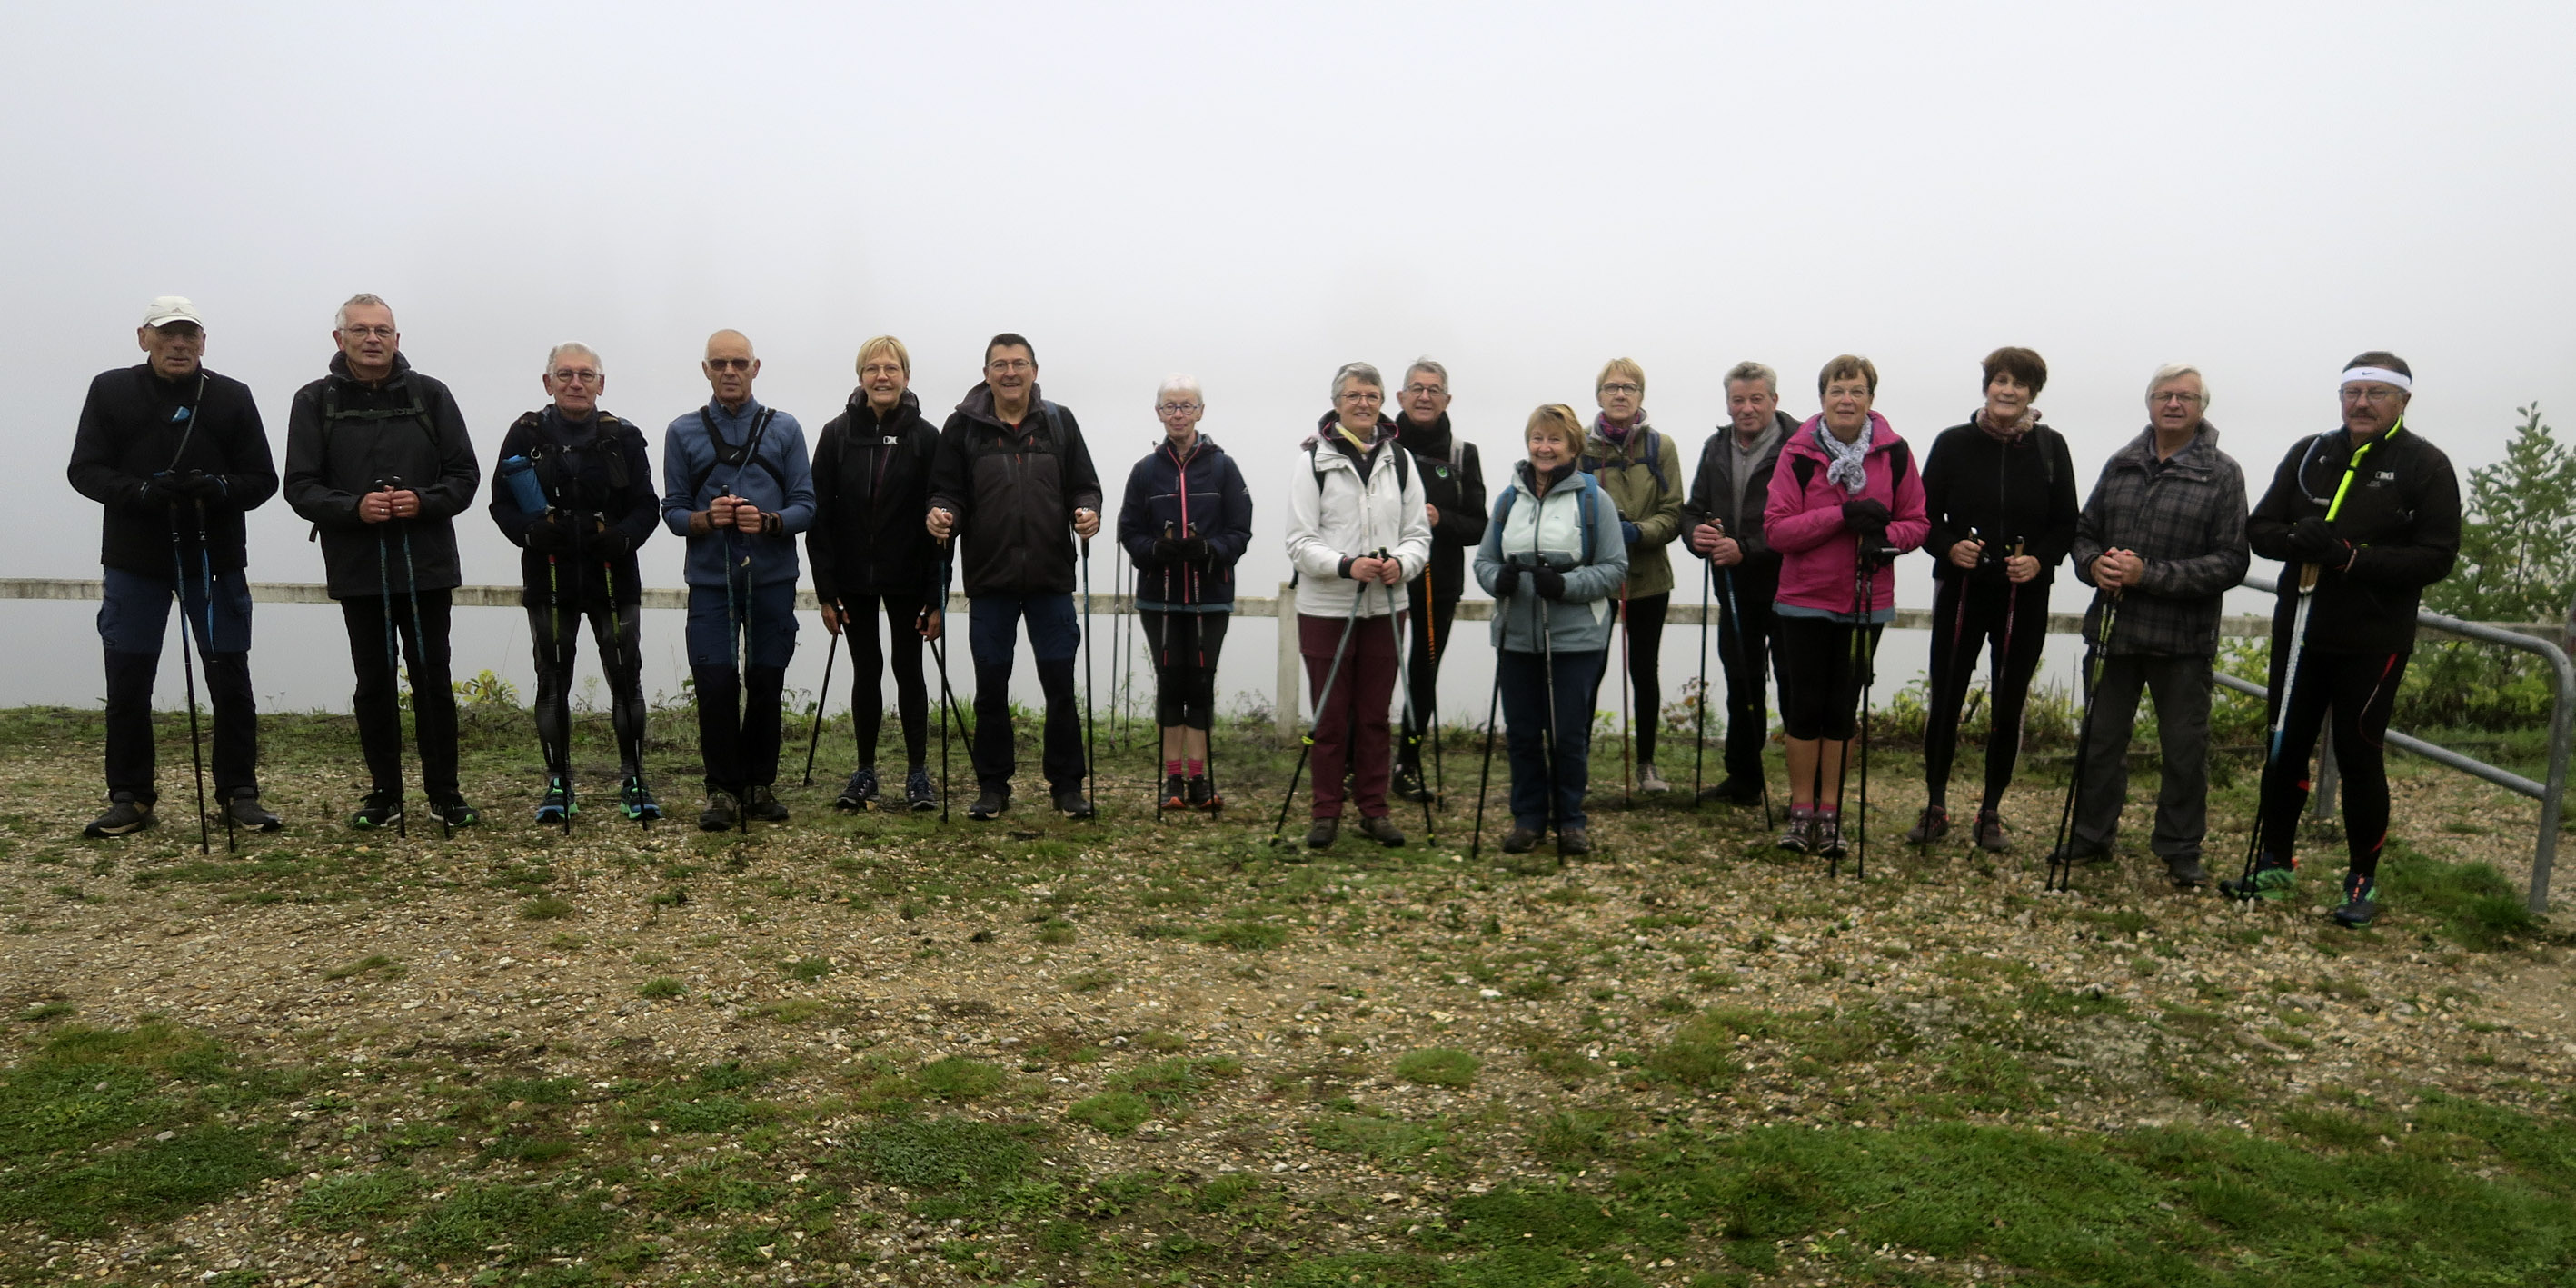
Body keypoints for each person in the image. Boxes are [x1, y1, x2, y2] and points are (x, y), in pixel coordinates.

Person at [2234, 352, 2461, 926]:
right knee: (2284, 747)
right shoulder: (2310, 453)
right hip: (2300, 628)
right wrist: (2295, 540)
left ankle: (2362, 879)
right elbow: (2259, 529)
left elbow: (2437, 557)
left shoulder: (2426, 464)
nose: (2361, 404)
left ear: (2403, 401)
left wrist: (2352, 558)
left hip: (2372, 638)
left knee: (2359, 756)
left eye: (2376, 394)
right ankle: (2275, 865)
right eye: (2352, 393)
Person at [67, 296, 282, 837]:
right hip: (134, 561)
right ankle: (130, 797)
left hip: (214, 560)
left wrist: (220, 488)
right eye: (167, 334)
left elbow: (262, 479)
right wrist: (140, 492)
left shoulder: (232, 396)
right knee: (128, 683)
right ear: (144, 338)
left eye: (189, 335)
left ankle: (239, 793)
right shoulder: (110, 390)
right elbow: (85, 470)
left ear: (204, 342)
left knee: (230, 680)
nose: (179, 345)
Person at [283, 294, 482, 831]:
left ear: (397, 338)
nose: (373, 339)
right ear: (339, 338)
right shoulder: (314, 401)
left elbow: (464, 475)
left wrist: (423, 501)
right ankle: (384, 793)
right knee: (373, 682)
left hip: (426, 565)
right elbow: (299, 485)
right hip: (357, 565)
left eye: (383, 330)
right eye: (361, 330)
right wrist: (354, 508)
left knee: (432, 679)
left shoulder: (430, 395)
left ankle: (445, 793)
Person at [2056, 364, 2248, 888]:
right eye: (2165, 395)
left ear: (2202, 408)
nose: (2174, 404)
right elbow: (2084, 532)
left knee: (2184, 750)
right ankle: (2091, 835)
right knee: (2100, 742)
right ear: (2149, 403)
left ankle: (2181, 848)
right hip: (2113, 632)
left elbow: (2232, 561)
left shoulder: (2222, 474)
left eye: (2186, 397)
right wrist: (2093, 565)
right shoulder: (2121, 463)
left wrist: (2150, 575)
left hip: (2183, 641)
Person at [925, 334, 1103, 821]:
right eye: (1000, 365)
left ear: (1034, 371)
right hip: (990, 580)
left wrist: (1087, 511)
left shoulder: (1060, 422)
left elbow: (1084, 486)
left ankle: (1067, 786)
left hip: (1051, 579)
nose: (1010, 372)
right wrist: (941, 513)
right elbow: (946, 491)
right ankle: (992, 786)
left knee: (1060, 684)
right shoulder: (962, 428)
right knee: (990, 686)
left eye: (1019, 363)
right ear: (986, 374)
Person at [1908, 348, 2081, 851]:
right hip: (1961, 589)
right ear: (1986, 386)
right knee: (1946, 696)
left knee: (2009, 702)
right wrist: (1949, 547)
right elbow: (1922, 516)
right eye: (2000, 380)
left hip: (2023, 595)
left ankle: (1990, 811)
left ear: (2033, 392)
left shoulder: (2051, 448)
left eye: (2019, 384)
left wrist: (2040, 561)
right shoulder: (1953, 443)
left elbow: (2066, 522)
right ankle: (1935, 803)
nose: (2008, 391)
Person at [487, 343, 662, 824]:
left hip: (613, 573)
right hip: (549, 573)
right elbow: (500, 502)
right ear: (548, 383)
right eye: (564, 375)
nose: (575, 383)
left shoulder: (624, 437)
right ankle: (558, 781)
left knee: (625, 677)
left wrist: (624, 538)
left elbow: (648, 505)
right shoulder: (525, 434)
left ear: (601, 384)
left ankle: (634, 778)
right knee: (552, 679)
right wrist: (528, 533)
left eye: (586, 375)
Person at [1761, 355, 1928, 857]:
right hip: (1803, 599)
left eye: (1857, 391)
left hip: (1865, 600)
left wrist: (1885, 538)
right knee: (1804, 707)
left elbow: (1917, 522)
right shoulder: (1797, 454)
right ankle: (1801, 811)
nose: (1847, 400)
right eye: (1837, 391)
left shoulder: (1895, 453)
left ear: (1871, 398)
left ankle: (1830, 813)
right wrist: (1842, 515)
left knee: (1840, 709)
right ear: (1822, 398)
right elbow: (1777, 530)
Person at [661, 329, 815, 831]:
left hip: (771, 581)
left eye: (739, 363)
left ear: (755, 368)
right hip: (711, 583)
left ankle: (758, 784)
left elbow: (806, 504)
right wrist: (707, 519)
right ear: (705, 370)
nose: (730, 372)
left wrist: (768, 521)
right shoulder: (682, 431)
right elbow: (673, 510)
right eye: (720, 363)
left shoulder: (785, 429)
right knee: (715, 684)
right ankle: (721, 790)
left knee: (767, 681)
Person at [1284, 362, 1434, 848]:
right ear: (1336, 403)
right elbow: (1299, 542)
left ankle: (1374, 809)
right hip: (1326, 607)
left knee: (1374, 716)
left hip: (1386, 606)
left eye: (1371, 395)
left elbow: (1418, 534)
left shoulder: (1400, 460)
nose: (1363, 404)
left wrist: (1401, 565)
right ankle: (1325, 812)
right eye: (1353, 396)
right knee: (1329, 718)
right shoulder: (1313, 461)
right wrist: (1345, 566)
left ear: (1382, 402)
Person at [1477, 404, 1629, 857]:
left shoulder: (1594, 500)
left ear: (1573, 446)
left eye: (1554, 439)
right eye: (1537, 438)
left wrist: (1565, 585)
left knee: (1567, 735)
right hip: (1516, 636)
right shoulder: (1508, 500)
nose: (1544, 448)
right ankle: (1528, 819)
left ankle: (1570, 820)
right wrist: (1498, 579)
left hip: (1576, 639)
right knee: (1522, 733)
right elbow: (1484, 561)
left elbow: (1614, 568)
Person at [809, 335, 943, 813]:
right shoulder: (836, 434)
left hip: (909, 577)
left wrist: (936, 596)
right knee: (866, 669)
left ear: (906, 376)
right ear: (860, 376)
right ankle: (864, 770)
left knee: (909, 669)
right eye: (872, 368)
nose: (881, 376)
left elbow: (942, 520)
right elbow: (819, 516)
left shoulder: (926, 437)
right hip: (852, 579)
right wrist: (825, 591)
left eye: (891, 368)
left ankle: (917, 774)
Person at [1117, 375, 1254, 810]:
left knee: (1201, 683)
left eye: (1187, 406)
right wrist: (1154, 550)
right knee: (1169, 683)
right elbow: (1128, 530)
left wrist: (1209, 550)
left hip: (1209, 595)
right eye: (1170, 407)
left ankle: (1199, 777)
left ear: (1200, 411)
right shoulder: (1145, 470)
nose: (1179, 414)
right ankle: (1172, 779)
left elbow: (1240, 529)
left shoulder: (1223, 468)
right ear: (1158, 413)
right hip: (1158, 597)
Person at [1682, 361, 1799, 806]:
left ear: (1774, 400)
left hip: (1791, 586)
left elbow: (1806, 520)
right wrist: (1695, 535)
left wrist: (1746, 548)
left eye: (1756, 399)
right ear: (1728, 403)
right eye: (1738, 400)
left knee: (1793, 685)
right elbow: (1693, 508)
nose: (1746, 408)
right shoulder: (1715, 446)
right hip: (1732, 587)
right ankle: (1744, 779)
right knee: (1741, 683)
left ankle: (1804, 791)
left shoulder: (1800, 445)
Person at [1581, 358, 1687, 794]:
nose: (1620, 394)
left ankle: (1646, 765)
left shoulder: (1661, 447)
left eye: (1629, 387)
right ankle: (1576, 763)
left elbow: (1674, 512)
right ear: (1599, 396)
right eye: (1611, 387)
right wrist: (1606, 536)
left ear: (1641, 395)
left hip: (1649, 576)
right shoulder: (1580, 448)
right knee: (1589, 667)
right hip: (1596, 579)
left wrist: (1639, 532)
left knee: (1644, 670)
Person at [1387, 358, 1486, 804]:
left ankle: (1408, 764)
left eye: (1433, 390)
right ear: (1401, 397)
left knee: (1423, 673)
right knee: (1375, 672)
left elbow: (1479, 526)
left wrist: (1439, 518)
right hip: (1384, 577)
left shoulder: (1463, 454)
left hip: (1438, 580)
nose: (1424, 397)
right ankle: (1358, 763)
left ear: (1447, 399)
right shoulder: (1379, 446)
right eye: (1416, 388)